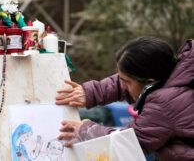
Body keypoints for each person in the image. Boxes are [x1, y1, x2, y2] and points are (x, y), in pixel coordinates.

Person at [55, 37, 194, 161]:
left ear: (149, 82)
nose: (123, 85)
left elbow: (129, 143)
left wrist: (87, 130)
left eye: (126, 82)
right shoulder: (177, 71)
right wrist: (92, 92)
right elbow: (129, 79)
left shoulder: (165, 104)